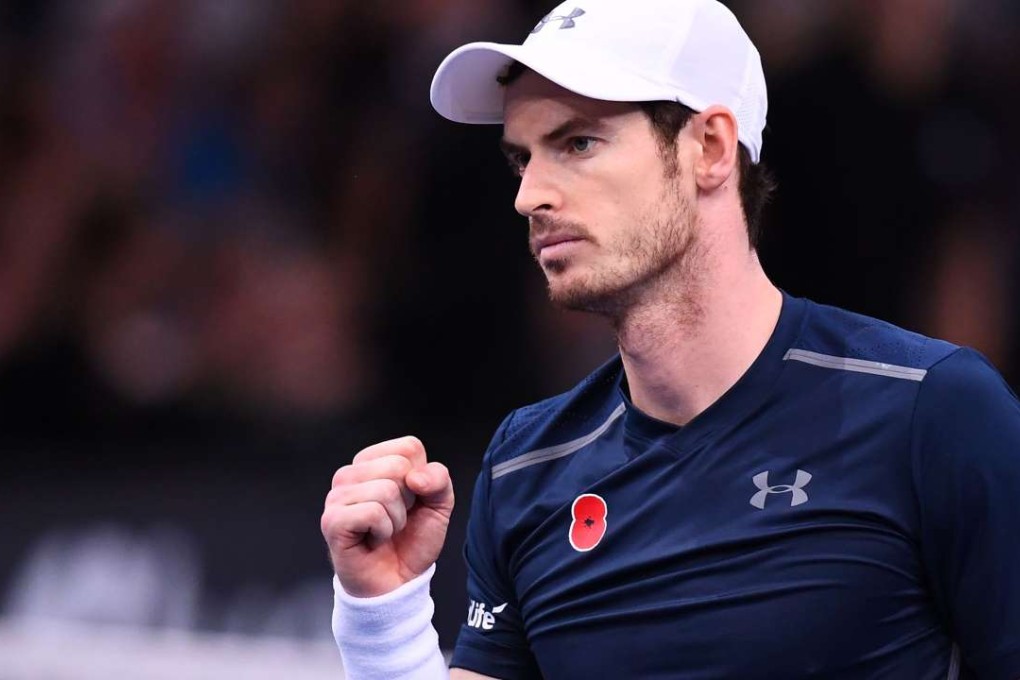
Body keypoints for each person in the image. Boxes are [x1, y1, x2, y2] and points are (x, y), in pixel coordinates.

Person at [320, 0, 1020, 677]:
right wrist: (384, 616)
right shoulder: (526, 466)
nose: (528, 195)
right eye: (521, 159)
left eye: (577, 142)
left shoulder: (931, 411)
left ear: (709, 149)